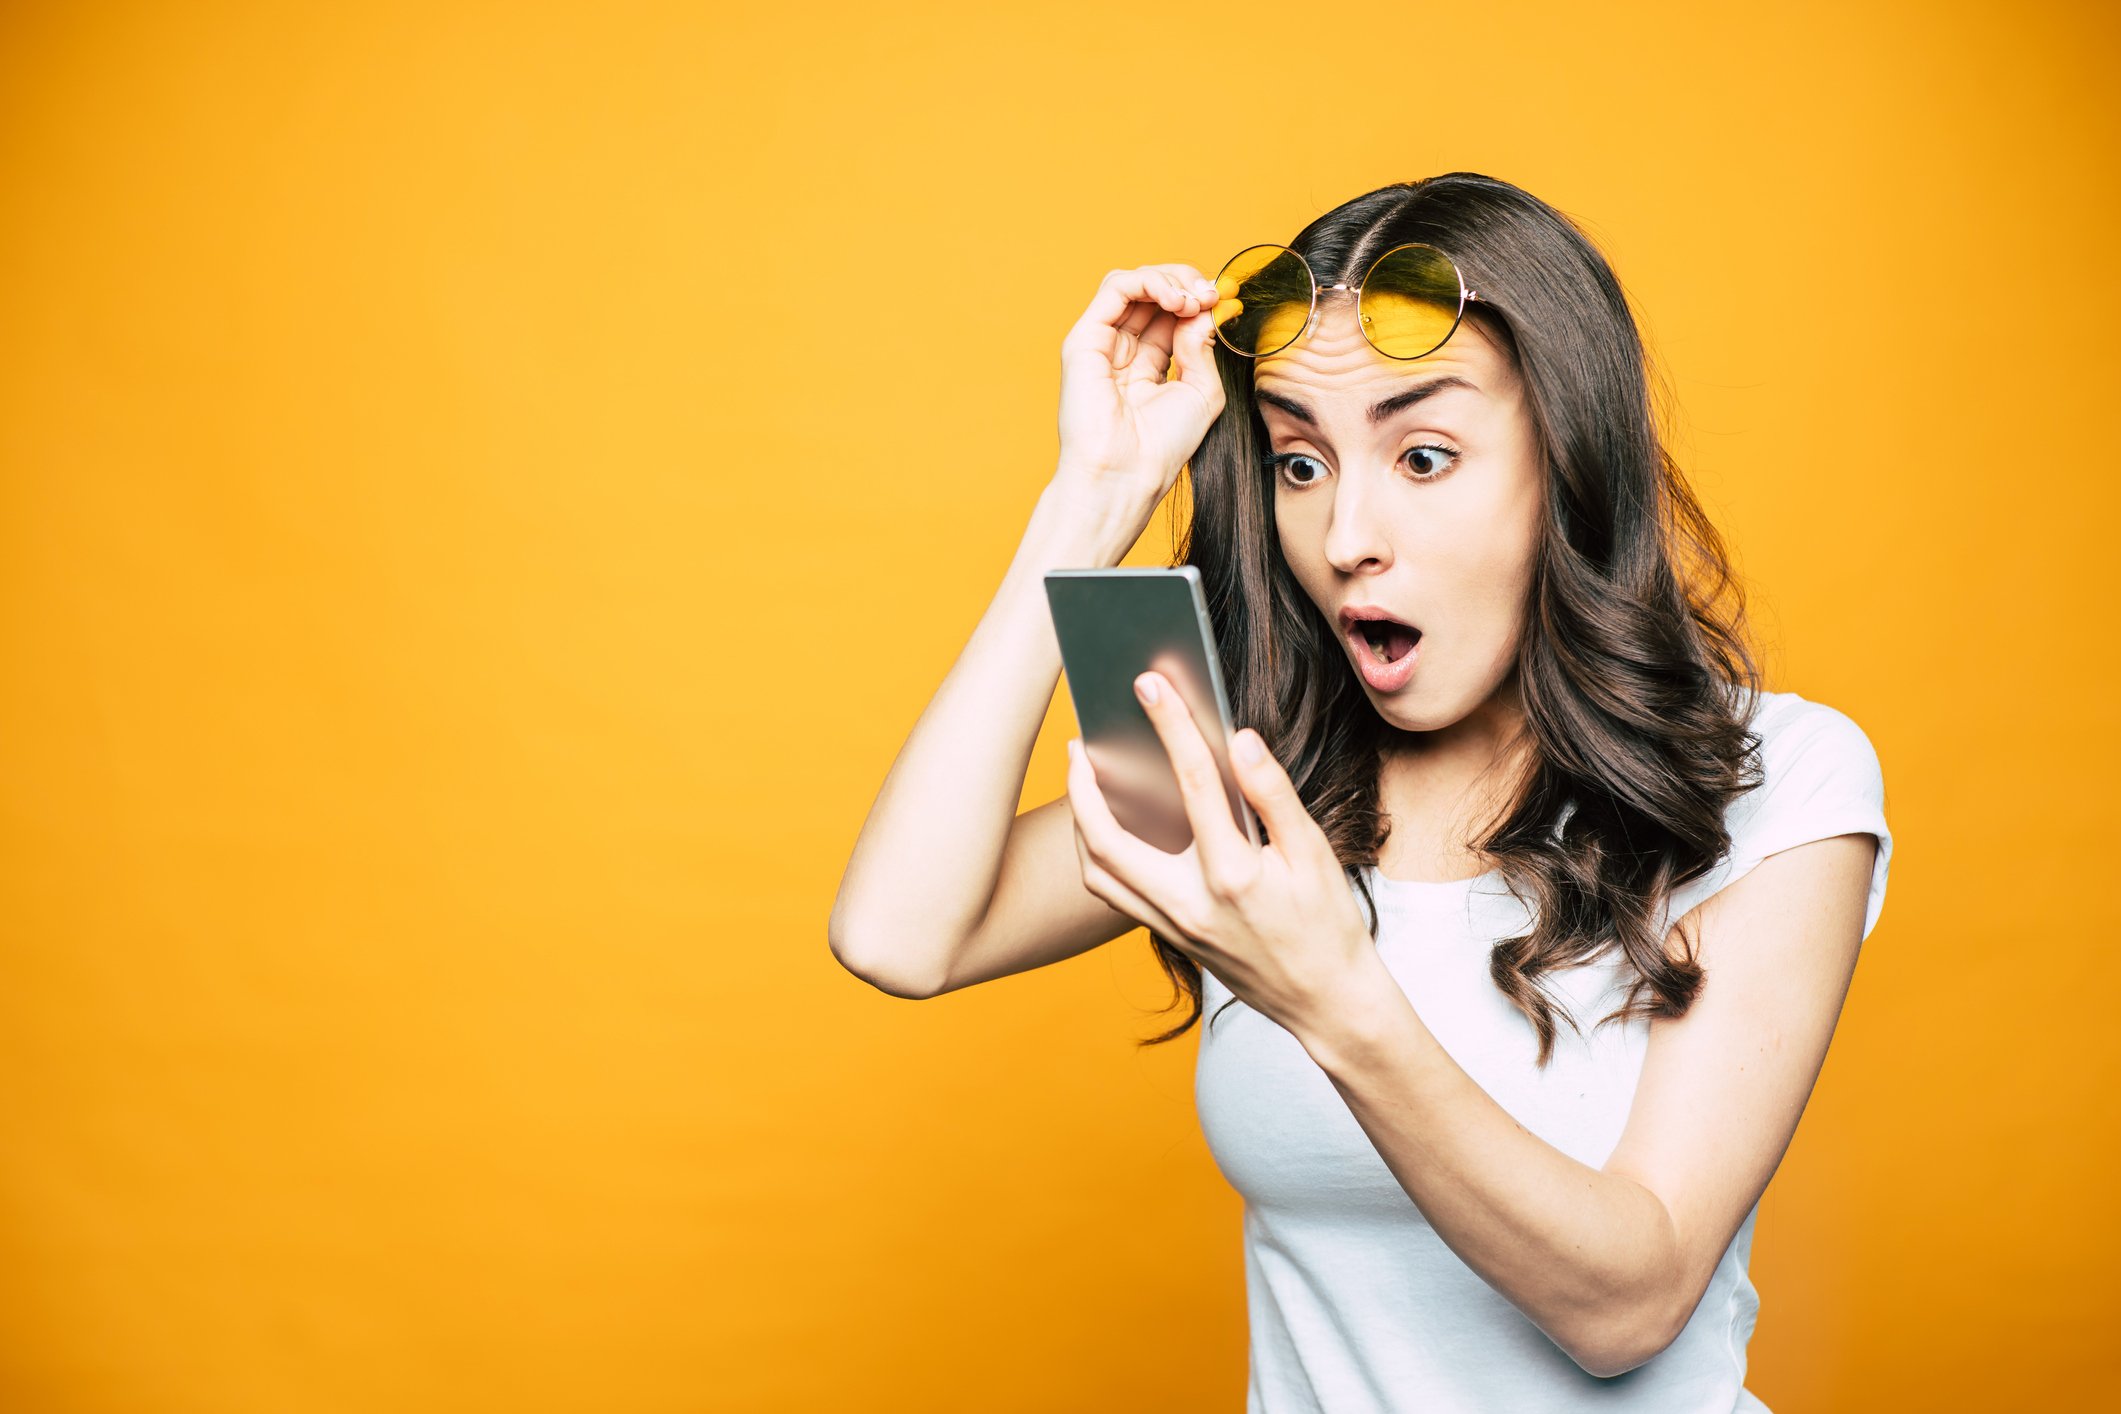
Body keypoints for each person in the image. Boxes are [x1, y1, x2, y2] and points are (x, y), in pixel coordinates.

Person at [827, 171, 1892, 1413]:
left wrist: (1332, 994)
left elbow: (1630, 1301)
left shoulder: (1779, 779)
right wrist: (1093, 496)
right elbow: (898, 932)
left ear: (1567, 462)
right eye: (1299, 463)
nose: (1344, 537)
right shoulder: (1259, 784)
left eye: (1425, 455)